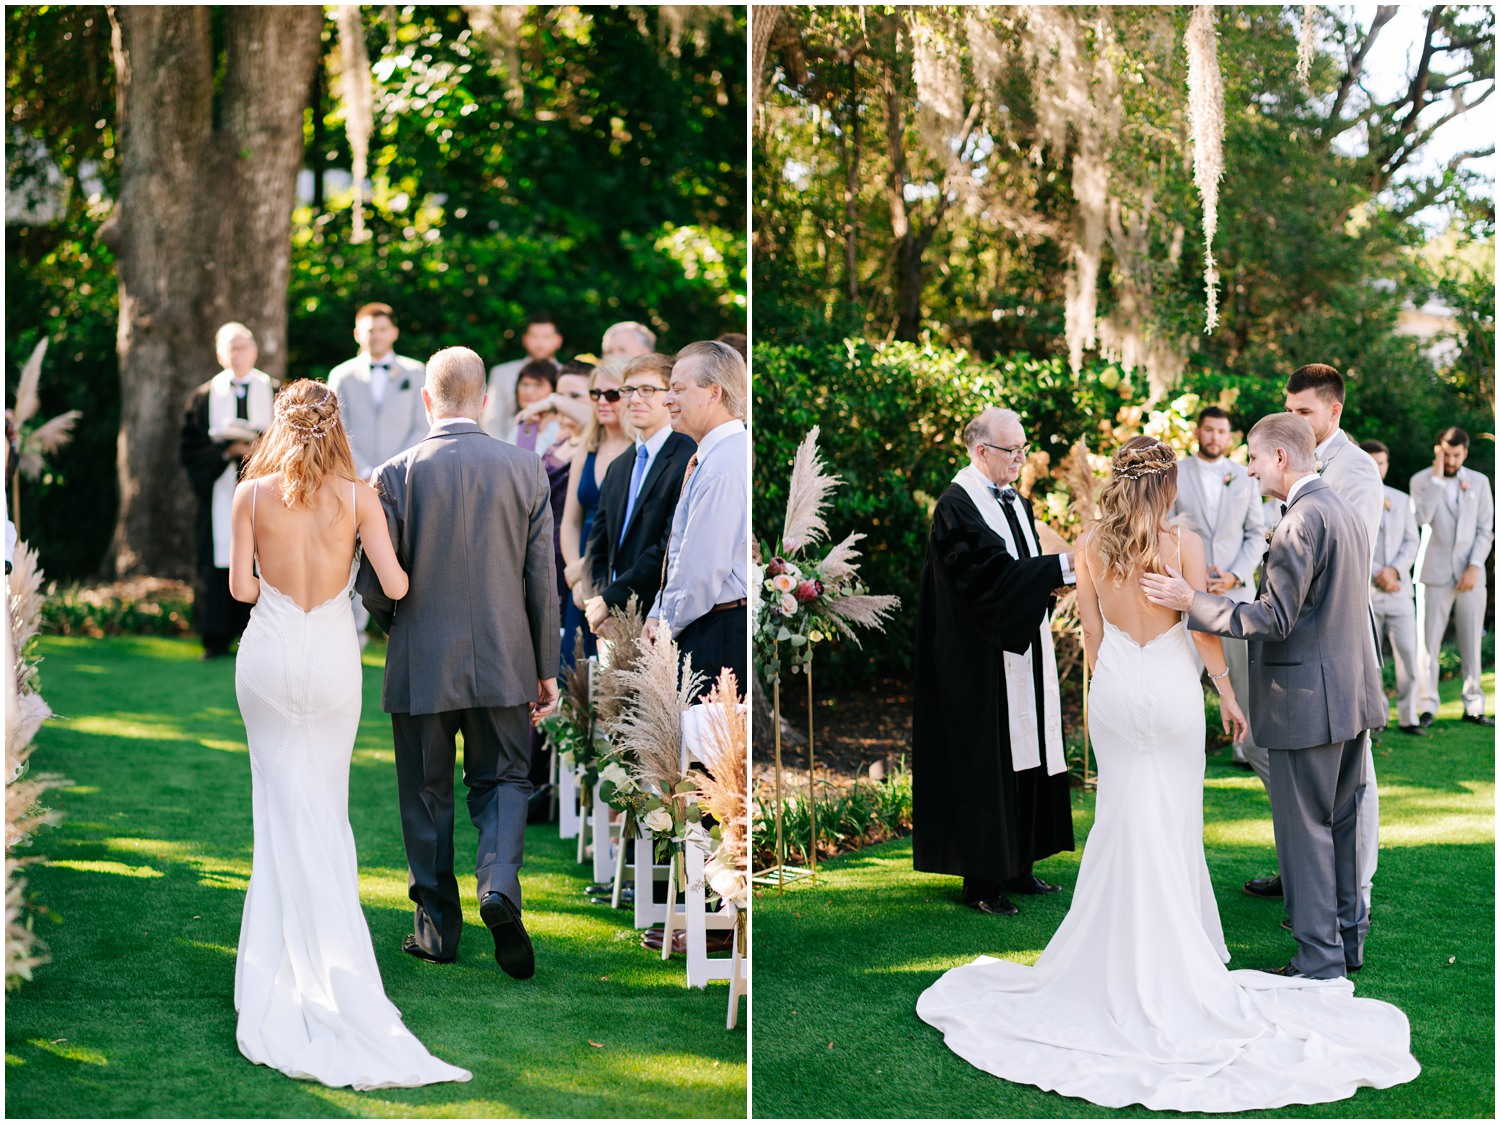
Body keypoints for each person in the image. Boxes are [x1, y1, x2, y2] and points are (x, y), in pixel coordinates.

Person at [918, 431, 1419, 1113]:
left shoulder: (1089, 549)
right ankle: (1179, 955)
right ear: (1167, 486)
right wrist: (1229, 693)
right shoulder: (1182, 543)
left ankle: (1114, 958)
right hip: (1174, 694)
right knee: (1175, 822)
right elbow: (1201, 628)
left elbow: (1092, 640)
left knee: (1122, 819)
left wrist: (1107, 694)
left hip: (1118, 693)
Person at [228, 379, 470, 1090]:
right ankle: (332, 958)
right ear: (337, 426)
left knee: (276, 806)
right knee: (323, 806)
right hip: (332, 661)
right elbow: (394, 586)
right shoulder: (360, 495)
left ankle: (278, 961)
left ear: (279, 424)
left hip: (270, 656)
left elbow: (242, 590)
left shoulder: (250, 494)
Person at [1145, 414, 1388, 979]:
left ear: (1280, 458)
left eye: (1253, 458)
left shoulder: (1300, 522)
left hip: (1306, 702)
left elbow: (1275, 618)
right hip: (1351, 696)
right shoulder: (1342, 508)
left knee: (1304, 833)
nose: (1248, 469)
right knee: (1344, 826)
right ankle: (1348, 945)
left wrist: (1192, 600)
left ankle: (1318, 959)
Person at [355, 347, 559, 977]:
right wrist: (544, 665)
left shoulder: (393, 474)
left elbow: (371, 586)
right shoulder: (527, 470)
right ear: (486, 400)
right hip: (505, 658)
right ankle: (498, 886)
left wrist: (404, 630)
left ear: (426, 399)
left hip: (420, 661)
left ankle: (437, 929)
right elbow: (542, 582)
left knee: (425, 794)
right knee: (504, 780)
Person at [911, 407, 1076, 916]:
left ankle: (1018, 863)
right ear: (981, 451)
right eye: (1013, 451)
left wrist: (1047, 579)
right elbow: (985, 580)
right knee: (987, 758)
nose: (1021, 459)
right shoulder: (956, 506)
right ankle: (982, 879)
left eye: (1023, 448)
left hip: (1021, 646)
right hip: (976, 657)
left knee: (1026, 753)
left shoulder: (1016, 503)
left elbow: (1021, 573)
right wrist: (1064, 566)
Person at [1243, 363, 1383, 910]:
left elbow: (1350, 559)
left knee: (1353, 783)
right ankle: (1307, 865)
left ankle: (1352, 891)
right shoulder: (1296, 472)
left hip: (1331, 640)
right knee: (1261, 747)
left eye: (1302, 412)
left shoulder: (1356, 471)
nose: (1292, 420)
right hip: (1301, 639)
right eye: (1289, 409)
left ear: (1333, 411)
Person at [646, 340, 749, 698]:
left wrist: (665, 627)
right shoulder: (713, 456)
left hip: (717, 633)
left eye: (678, 389)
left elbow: (701, 569)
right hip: (708, 624)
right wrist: (658, 610)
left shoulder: (723, 464)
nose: (666, 399)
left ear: (714, 393)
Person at [1169, 406, 1266, 768]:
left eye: (1221, 431)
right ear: (1198, 432)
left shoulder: (1246, 476)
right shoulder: (1176, 472)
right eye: (1208, 430)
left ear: (1230, 436)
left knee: (1243, 674)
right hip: (1188, 593)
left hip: (1234, 595)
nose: (1214, 437)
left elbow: (1256, 531)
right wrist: (1187, 573)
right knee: (1184, 672)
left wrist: (1236, 574)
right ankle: (1181, 745)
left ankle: (1245, 747)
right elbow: (1167, 525)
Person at [180, 322, 277, 659]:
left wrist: (256, 450)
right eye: (230, 348)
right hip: (219, 486)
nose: (238, 354)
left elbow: (288, 442)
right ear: (220, 354)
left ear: (254, 350)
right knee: (218, 554)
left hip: (264, 486)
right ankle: (216, 635)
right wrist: (226, 452)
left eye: (243, 346)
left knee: (263, 553)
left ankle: (259, 631)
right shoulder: (204, 396)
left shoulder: (275, 391)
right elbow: (190, 448)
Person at [583, 354, 695, 637]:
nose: (634, 399)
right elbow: (598, 545)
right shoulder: (618, 466)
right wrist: (599, 605)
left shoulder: (688, 457)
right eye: (628, 390)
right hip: (610, 622)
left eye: (647, 390)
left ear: (671, 395)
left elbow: (668, 547)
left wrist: (611, 600)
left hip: (660, 619)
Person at [1410, 426, 1494, 726]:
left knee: (1471, 641)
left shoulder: (1480, 482)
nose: (1451, 460)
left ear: (1465, 453)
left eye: (1456, 455)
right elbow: (1421, 519)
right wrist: (1436, 479)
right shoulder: (1421, 480)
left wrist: (1474, 566)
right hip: (1433, 573)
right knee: (1427, 644)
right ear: (1437, 450)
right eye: (1446, 454)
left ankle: (1474, 705)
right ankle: (1426, 706)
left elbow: (1486, 529)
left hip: (1471, 574)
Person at [559, 357, 632, 666]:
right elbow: (570, 522)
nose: (602, 401)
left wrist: (589, 570)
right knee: (575, 673)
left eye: (611, 394)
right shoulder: (587, 448)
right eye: (595, 394)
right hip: (581, 576)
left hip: (616, 570)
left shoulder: (637, 450)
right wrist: (576, 574)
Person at [1361, 439, 1425, 737]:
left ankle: (1409, 715)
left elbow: (1413, 540)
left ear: (1387, 465)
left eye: (1381, 463)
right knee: (1371, 660)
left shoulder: (1401, 500)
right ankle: (1378, 716)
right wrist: (1377, 573)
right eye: (1371, 462)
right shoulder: (1354, 499)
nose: (1376, 468)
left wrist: (1395, 570)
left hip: (1399, 591)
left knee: (1408, 656)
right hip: (1368, 593)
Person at [326, 302, 429, 479]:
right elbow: (337, 427)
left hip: (405, 474)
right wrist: (363, 470)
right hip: (355, 476)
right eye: (370, 331)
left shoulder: (416, 372)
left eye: (382, 329)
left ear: (394, 332)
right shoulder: (341, 375)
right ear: (357, 334)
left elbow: (422, 424)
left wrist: (396, 467)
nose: (376, 336)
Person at [481, 312, 563, 440]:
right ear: (525, 340)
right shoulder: (502, 373)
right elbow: (491, 420)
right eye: (534, 337)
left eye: (546, 337)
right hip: (507, 448)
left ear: (558, 340)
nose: (540, 343)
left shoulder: (566, 376)